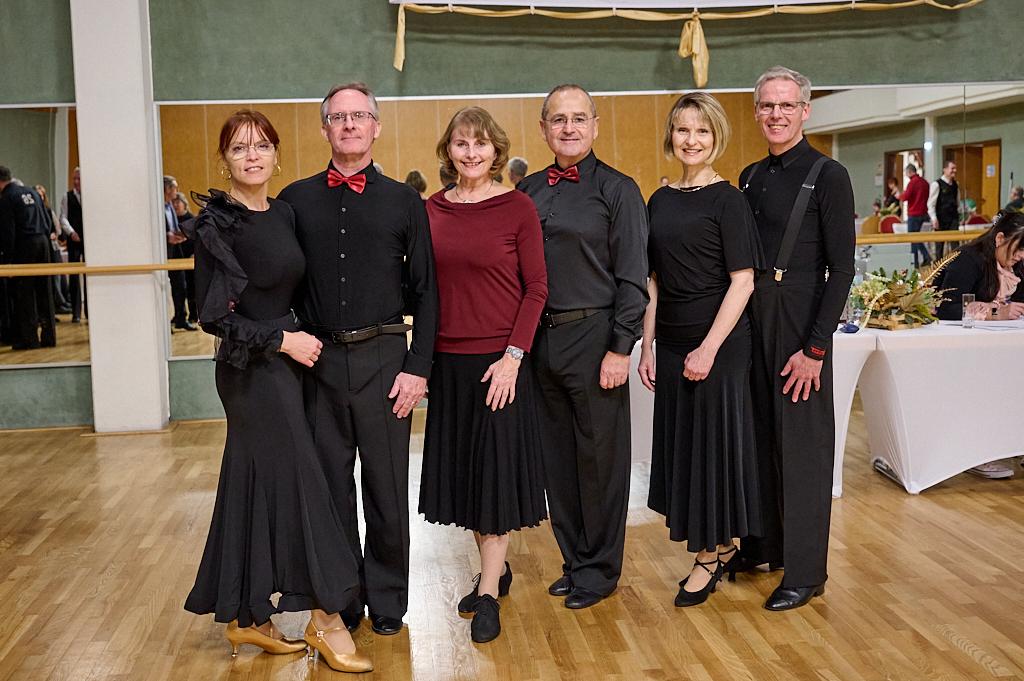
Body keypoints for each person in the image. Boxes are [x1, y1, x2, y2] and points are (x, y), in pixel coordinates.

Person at [182, 110, 371, 673]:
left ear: (275, 154)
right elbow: (212, 318)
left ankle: (246, 615)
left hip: (289, 366)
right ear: (225, 160)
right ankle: (328, 618)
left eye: (261, 146)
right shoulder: (217, 224)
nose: (252, 156)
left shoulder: (284, 213)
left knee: (249, 481)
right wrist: (284, 341)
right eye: (240, 149)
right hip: (250, 370)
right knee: (303, 487)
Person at [278, 82, 438, 638]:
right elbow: (280, 285)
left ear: (376, 127)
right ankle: (341, 600)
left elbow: (429, 292)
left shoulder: (403, 202)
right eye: (338, 117)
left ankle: (389, 601)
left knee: (388, 490)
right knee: (331, 490)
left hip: (386, 360)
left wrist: (418, 368)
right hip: (317, 361)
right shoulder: (294, 201)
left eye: (359, 116)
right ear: (324, 128)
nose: (349, 125)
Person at [419, 106, 548, 643]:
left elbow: (536, 288)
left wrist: (513, 357)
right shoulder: (430, 211)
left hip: (501, 365)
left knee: (493, 480)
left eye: (480, 144)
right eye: (460, 144)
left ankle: (489, 592)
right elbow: (422, 291)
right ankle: (494, 572)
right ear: (448, 151)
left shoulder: (518, 208)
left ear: (496, 150)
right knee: (472, 479)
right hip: (449, 365)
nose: (471, 153)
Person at [519, 84, 649, 610]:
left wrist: (621, 347)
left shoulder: (619, 190)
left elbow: (633, 276)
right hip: (540, 341)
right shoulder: (525, 190)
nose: (568, 128)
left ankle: (600, 568)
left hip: (597, 339)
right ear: (544, 127)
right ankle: (574, 560)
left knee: (600, 461)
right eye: (558, 119)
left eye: (578, 119)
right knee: (559, 460)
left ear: (595, 125)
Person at [638, 92, 764, 607]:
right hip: (669, 342)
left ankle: (711, 554)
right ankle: (720, 544)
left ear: (717, 138)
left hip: (720, 343)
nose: (692, 140)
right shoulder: (659, 200)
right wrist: (646, 345)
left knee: (712, 450)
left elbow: (743, 282)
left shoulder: (728, 199)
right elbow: (653, 283)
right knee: (686, 449)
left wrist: (708, 348)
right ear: (672, 137)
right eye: (684, 130)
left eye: (703, 131)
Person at [737, 66, 855, 611]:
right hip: (752, 318)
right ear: (756, 110)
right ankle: (764, 545)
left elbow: (843, 269)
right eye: (767, 106)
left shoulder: (828, 174)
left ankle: (806, 572)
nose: (776, 114)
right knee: (759, 439)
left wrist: (815, 347)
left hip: (800, 320)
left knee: (803, 452)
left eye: (786, 105)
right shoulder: (748, 176)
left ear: (805, 111)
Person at [934, 210, 1024, 479]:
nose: (1021, 257)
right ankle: (980, 451)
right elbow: (949, 309)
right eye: (1019, 250)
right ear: (999, 239)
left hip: (1002, 347)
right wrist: (998, 313)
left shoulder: (1016, 266)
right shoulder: (968, 260)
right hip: (961, 349)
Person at [0, 171, 57, 349]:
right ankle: (49, 337)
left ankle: (29, 339)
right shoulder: (32, 192)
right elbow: (47, 222)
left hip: (25, 245)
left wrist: (8, 262)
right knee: (44, 291)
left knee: (25, 293)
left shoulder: (7, 198)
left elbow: (9, 232)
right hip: (43, 242)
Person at [164, 175, 196, 330]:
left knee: (180, 286)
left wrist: (179, 234)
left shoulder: (169, 205)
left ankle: (181, 319)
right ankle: (167, 322)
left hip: (175, 250)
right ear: (167, 189)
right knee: (164, 288)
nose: (176, 193)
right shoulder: (158, 206)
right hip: (163, 252)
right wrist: (166, 236)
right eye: (174, 188)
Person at [34, 184, 71, 313]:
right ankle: (57, 302)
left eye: (42, 195)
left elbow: (58, 229)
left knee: (57, 276)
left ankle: (61, 300)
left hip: (53, 246)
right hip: (43, 246)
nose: (40, 197)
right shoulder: (34, 212)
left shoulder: (49, 211)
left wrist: (55, 234)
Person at [59, 167, 85, 322]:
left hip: (88, 241)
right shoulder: (67, 197)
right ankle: (76, 313)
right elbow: (63, 217)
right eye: (74, 178)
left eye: (79, 179)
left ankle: (90, 311)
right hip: (74, 240)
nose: (76, 182)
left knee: (90, 275)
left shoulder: (90, 196)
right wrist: (71, 232)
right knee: (74, 275)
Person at [172, 191, 198, 323]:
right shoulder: (172, 219)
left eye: (178, 202)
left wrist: (195, 254)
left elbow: (197, 241)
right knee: (181, 289)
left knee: (192, 288)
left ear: (184, 203)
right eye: (173, 202)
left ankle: (194, 315)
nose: (175, 205)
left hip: (190, 259)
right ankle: (180, 314)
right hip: (177, 258)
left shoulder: (191, 218)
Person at [901, 164, 931, 267]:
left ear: (909, 172)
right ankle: (926, 256)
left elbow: (905, 197)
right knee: (917, 237)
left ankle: (915, 262)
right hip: (924, 213)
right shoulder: (925, 182)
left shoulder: (912, 183)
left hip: (914, 214)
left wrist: (899, 195)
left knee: (912, 239)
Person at [928, 160, 960, 260]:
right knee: (939, 246)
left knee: (955, 244)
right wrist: (934, 218)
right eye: (952, 168)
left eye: (955, 168)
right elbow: (931, 204)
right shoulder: (936, 184)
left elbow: (957, 201)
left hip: (953, 218)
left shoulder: (956, 184)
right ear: (945, 169)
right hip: (940, 219)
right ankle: (939, 270)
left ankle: (957, 265)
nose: (954, 171)